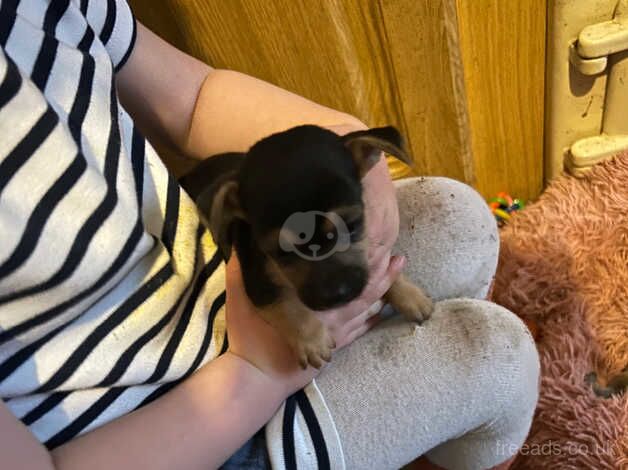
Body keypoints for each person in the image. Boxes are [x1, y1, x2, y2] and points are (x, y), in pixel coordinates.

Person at [0, 1, 540, 469]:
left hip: (193, 284)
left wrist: (344, 137)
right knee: (496, 358)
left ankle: (426, 425)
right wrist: (256, 373)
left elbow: (191, 97)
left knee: (460, 219)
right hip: (171, 429)